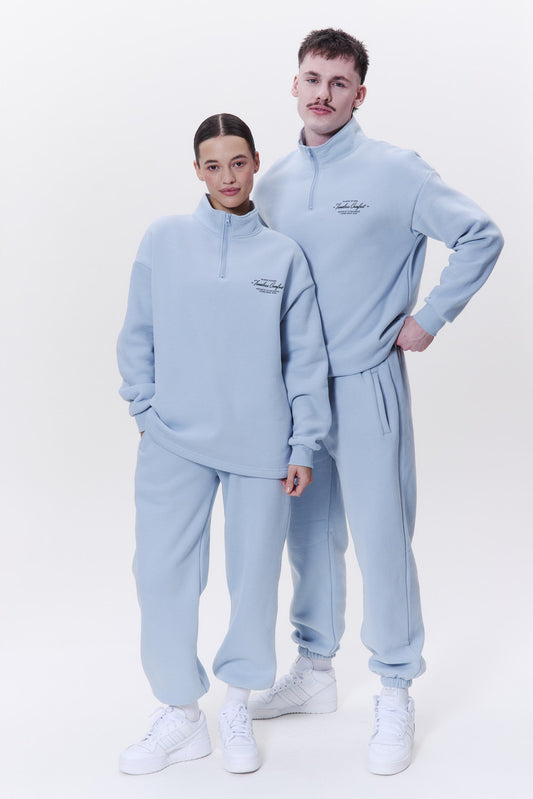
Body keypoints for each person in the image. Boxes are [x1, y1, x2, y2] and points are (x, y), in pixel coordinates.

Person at [248, 29, 504, 775]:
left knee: (382, 537)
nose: (322, 93)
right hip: (296, 393)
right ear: (293, 85)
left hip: (367, 381)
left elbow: (479, 235)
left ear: (359, 94)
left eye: (338, 82)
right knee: (307, 535)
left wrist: (430, 318)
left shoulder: (396, 171)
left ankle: (394, 687)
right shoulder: (272, 185)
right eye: (311, 78)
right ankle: (315, 668)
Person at [116, 113, 330, 776]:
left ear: (255, 162)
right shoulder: (164, 239)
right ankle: (182, 715)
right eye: (213, 165)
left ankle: (237, 702)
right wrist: (144, 408)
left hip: (261, 445)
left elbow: (304, 358)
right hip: (173, 440)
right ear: (197, 170)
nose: (228, 177)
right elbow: (137, 332)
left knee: (253, 578)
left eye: (238, 163)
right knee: (160, 574)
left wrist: (303, 442)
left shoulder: (282, 256)